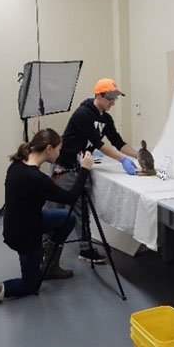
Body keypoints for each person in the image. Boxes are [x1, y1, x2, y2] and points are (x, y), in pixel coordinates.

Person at [0, 128, 93, 307]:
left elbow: (33, 191)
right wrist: (85, 170)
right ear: (49, 149)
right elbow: (71, 197)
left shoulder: (18, 165)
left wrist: (52, 182)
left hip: (19, 223)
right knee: (31, 285)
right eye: (58, 149)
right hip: (25, 235)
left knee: (68, 218)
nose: (60, 153)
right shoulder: (37, 179)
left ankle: (50, 267)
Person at [46, 78, 138, 264]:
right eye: (109, 98)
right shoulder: (83, 114)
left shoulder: (106, 118)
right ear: (99, 95)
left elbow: (118, 142)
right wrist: (123, 160)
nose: (112, 102)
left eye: (114, 99)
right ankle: (43, 249)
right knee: (53, 210)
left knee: (82, 210)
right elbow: (99, 144)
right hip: (64, 167)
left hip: (81, 168)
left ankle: (86, 250)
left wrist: (138, 155)